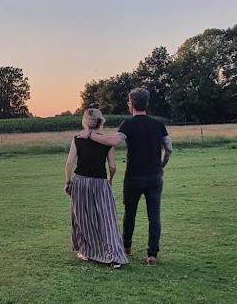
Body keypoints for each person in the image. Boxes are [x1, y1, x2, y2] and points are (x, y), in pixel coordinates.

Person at [82, 88, 173, 265]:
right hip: (155, 177)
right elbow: (169, 148)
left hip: (134, 178)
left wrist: (90, 134)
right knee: (154, 216)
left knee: (130, 213)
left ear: (131, 104)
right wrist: (162, 164)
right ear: (146, 103)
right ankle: (152, 255)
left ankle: (126, 247)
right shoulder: (159, 125)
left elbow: (113, 141)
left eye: (129, 102)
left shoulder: (128, 125)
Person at [64, 108, 128, 269]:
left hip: (80, 182)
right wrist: (110, 180)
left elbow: (69, 163)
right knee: (107, 220)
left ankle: (86, 251)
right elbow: (112, 167)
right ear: (101, 121)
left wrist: (67, 182)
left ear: (85, 122)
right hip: (100, 182)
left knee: (83, 219)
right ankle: (113, 257)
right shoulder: (106, 141)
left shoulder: (77, 139)